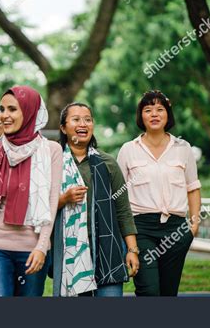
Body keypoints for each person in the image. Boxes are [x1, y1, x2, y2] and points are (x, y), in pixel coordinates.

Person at [0, 86, 62, 297]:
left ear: (29, 111)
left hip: (32, 248)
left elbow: (51, 201)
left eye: (12, 109)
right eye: (2, 109)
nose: (4, 116)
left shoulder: (51, 150)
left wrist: (41, 247)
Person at [117, 90, 201, 296]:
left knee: (168, 293)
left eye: (159, 109)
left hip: (177, 229)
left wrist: (194, 226)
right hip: (141, 229)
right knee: (149, 291)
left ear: (167, 114)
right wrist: (130, 244)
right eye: (148, 110)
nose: (154, 114)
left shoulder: (183, 148)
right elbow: (119, 197)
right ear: (141, 116)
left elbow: (193, 187)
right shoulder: (128, 150)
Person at [52, 102, 139, 297]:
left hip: (107, 252)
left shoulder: (108, 163)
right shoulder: (53, 163)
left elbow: (123, 210)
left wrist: (132, 250)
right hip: (70, 254)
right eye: (76, 119)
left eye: (88, 119)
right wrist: (63, 199)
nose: (83, 124)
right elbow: (40, 209)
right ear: (63, 127)